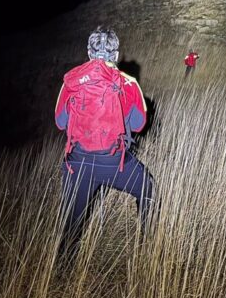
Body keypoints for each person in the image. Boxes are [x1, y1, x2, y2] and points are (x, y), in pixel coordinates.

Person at [54, 27, 154, 248]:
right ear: (116, 55)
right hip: (113, 162)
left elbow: (60, 122)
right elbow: (138, 124)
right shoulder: (127, 82)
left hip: (77, 163)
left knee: (71, 226)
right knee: (148, 188)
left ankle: (60, 274)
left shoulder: (71, 81)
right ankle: (147, 245)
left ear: (89, 52)